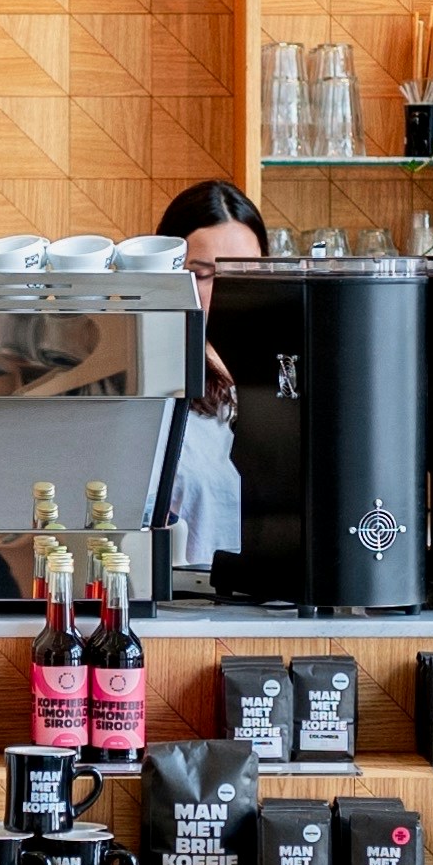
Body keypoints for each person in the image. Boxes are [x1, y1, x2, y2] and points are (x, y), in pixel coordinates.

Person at [151, 180, 265, 574]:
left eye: (247, 269)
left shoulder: (291, 378)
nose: (231, 289)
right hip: (187, 600)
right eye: (204, 274)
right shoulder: (152, 390)